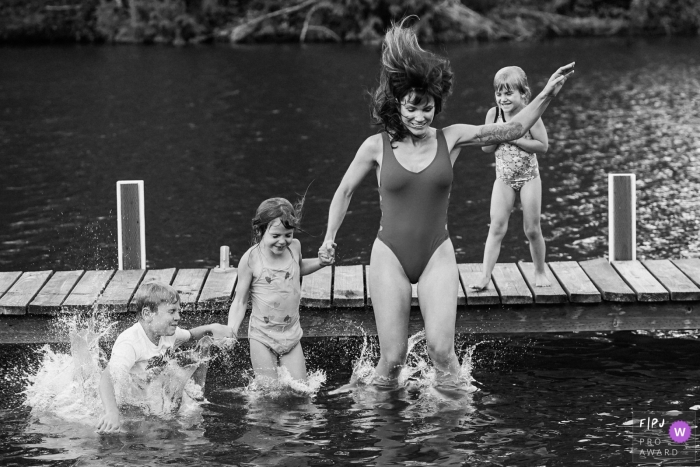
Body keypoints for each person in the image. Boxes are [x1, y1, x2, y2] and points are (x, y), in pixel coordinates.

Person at [320, 19, 574, 387]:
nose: (419, 117)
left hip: (437, 252)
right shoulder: (375, 146)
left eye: (427, 109)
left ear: (436, 107)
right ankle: (376, 415)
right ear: (398, 104)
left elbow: (513, 130)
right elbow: (343, 192)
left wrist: (548, 92)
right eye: (411, 108)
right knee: (392, 359)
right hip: (389, 253)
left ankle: (457, 432)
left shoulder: (451, 139)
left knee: (442, 352)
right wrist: (329, 237)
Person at [96, 281, 231, 433]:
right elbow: (107, 377)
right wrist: (112, 412)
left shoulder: (168, 334)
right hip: (129, 404)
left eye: (178, 311)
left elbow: (191, 335)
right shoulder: (130, 342)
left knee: (194, 416)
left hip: (152, 396)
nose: (178, 317)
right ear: (148, 314)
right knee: (154, 434)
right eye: (172, 311)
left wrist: (211, 328)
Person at [227, 197, 333, 383]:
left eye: (288, 234)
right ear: (260, 231)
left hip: (291, 334)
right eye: (275, 236)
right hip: (262, 336)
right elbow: (240, 301)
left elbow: (299, 268)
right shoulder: (251, 259)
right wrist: (232, 330)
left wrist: (320, 263)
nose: (282, 241)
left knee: (301, 389)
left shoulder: (295, 247)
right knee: (269, 394)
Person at [470, 66, 551, 290]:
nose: (503, 98)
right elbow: (486, 150)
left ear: (523, 94)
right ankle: (485, 276)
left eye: (508, 93)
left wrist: (514, 138)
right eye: (499, 93)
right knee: (496, 226)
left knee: (532, 229)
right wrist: (496, 133)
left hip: (529, 178)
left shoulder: (530, 115)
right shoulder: (493, 114)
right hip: (503, 179)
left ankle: (540, 271)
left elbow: (543, 146)